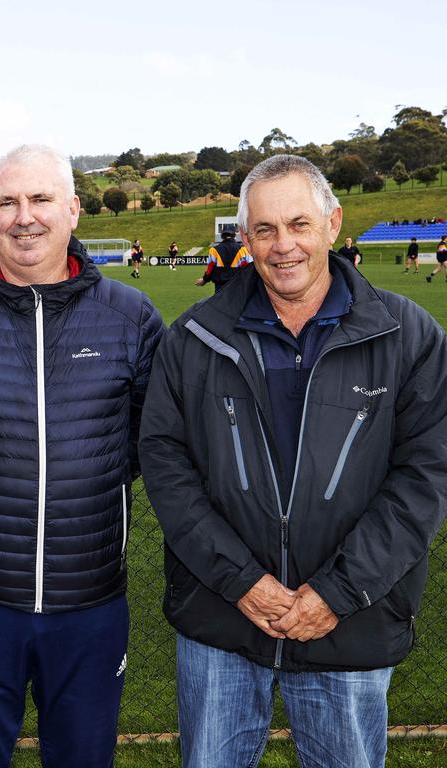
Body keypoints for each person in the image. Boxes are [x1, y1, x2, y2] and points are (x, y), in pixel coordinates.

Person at [139, 154, 447, 768]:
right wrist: (242, 582)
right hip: (223, 621)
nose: (284, 246)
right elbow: (167, 469)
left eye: (299, 224)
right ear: (244, 237)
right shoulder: (194, 337)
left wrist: (337, 591)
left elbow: (426, 476)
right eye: (265, 230)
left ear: (333, 224)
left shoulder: (407, 335)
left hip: (347, 624)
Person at [0, 144, 164, 768]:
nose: (24, 216)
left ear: (74, 210)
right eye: (7, 202)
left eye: (40, 199)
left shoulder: (131, 317)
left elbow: (146, 440)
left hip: (89, 601)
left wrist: (85, 485)